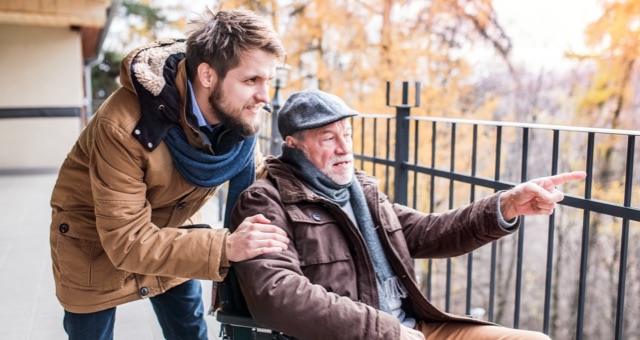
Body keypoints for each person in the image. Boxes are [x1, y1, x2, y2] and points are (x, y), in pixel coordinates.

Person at [229, 89, 587, 340]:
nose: (344, 149)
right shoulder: (266, 200)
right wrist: (384, 332)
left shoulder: (361, 193)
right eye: (327, 139)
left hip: (413, 327)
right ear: (293, 145)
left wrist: (506, 204)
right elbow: (278, 295)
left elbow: (430, 231)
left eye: (347, 135)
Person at [49, 9, 291, 339]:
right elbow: (125, 241)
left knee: (190, 332)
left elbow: (258, 179)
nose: (264, 96)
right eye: (251, 80)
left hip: (171, 226)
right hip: (93, 240)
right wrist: (226, 247)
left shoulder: (236, 116)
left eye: (269, 81)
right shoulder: (124, 126)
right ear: (207, 76)